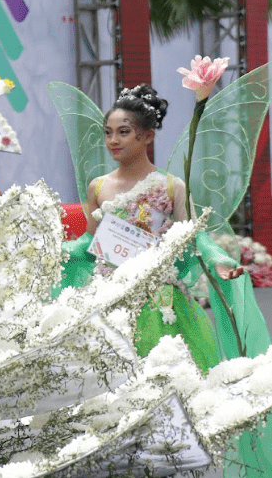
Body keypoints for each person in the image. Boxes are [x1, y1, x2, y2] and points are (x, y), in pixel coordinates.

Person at [54, 84, 244, 372]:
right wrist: (56, 252)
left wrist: (218, 261)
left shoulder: (171, 186)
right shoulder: (99, 187)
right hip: (109, 297)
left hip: (161, 301)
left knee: (166, 377)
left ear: (147, 136)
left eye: (123, 131)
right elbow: (90, 242)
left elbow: (193, 237)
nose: (112, 140)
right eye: (108, 132)